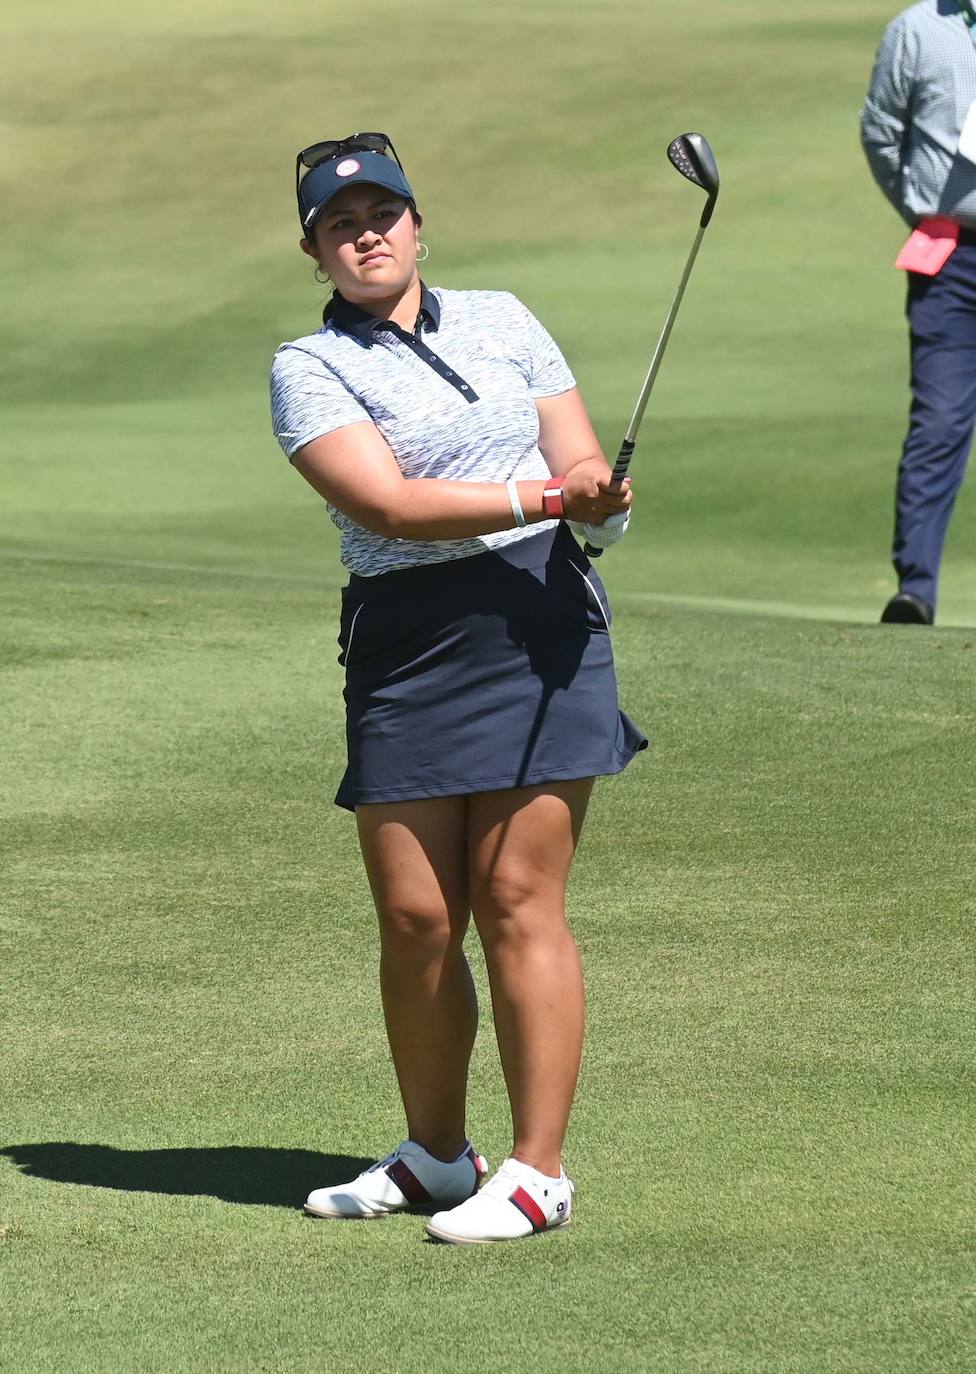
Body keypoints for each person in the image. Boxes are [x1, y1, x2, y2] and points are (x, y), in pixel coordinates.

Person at [269, 133, 646, 1245]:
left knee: (517, 897)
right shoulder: (307, 364)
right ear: (316, 251)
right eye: (342, 224)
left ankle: (537, 1172)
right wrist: (545, 490)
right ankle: (437, 1155)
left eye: (384, 213)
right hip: (410, 644)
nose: (368, 233)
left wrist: (597, 499)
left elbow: (582, 474)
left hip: (539, 626)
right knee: (417, 916)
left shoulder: (506, 317)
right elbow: (382, 505)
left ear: (419, 225)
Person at [861, 0, 976, 625]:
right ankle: (916, 590)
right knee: (938, 421)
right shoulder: (918, 29)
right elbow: (881, 131)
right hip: (950, 254)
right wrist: (916, 205)